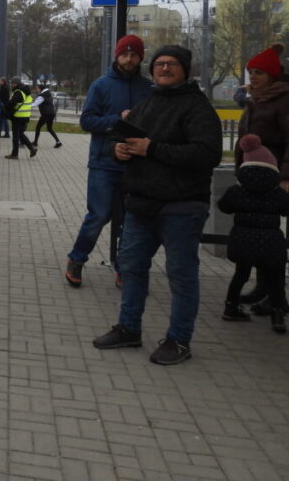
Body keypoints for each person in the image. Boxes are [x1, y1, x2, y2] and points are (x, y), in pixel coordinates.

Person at [92, 45, 222, 365]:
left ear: (186, 69)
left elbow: (206, 155)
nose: (164, 69)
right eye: (159, 64)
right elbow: (118, 140)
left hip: (182, 205)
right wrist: (118, 150)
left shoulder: (198, 108)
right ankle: (129, 328)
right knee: (132, 267)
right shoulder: (147, 103)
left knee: (181, 275)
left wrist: (152, 149)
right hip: (141, 202)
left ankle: (178, 339)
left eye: (172, 64)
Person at [65, 35, 152, 287]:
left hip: (135, 164)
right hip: (103, 163)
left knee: (130, 219)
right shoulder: (101, 85)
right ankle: (77, 259)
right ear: (116, 56)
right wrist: (118, 119)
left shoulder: (148, 88)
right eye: (124, 54)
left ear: (140, 58)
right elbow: (87, 121)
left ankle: (124, 267)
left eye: (134, 55)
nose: (128, 59)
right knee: (99, 215)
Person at [234, 44, 289, 316]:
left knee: (271, 240)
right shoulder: (257, 98)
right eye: (251, 72)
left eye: (259, 72)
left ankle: (275, 295)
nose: (254, 77)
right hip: (254, 177)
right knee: (259, 235)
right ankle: (263, 288)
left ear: (272, 74)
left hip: (274, 178)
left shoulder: (285, 100)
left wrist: (285, 177)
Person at [217, 134, 289, 333]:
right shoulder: (277, 194)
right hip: (271, 242)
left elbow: (223, 207)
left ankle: (230, 307)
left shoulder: (237, 191)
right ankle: (277, 314)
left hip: (243, 241)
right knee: (274, 279)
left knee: (240, 274)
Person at [5, 77, 37, 159]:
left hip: (18, 116)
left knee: (16, 136)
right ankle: (32, 148)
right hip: (25, 116)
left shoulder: (19, 92)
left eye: (12, 83)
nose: (11, 85)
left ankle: (14, 154)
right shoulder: (26, 91)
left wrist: (6, 105)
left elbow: (12, 102)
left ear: (16, 83)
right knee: (20, 134)